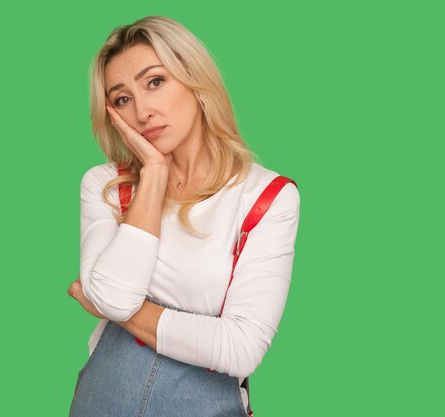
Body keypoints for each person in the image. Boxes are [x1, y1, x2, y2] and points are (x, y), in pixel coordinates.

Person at [67, 15, 300, 417]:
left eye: (155, 82)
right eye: (122, 98)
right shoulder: (106, 185)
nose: (142, 111)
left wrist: (118, 311)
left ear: (194, 80)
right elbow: (112, 296)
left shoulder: (266, 197)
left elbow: (240, 349)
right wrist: (154, 173)